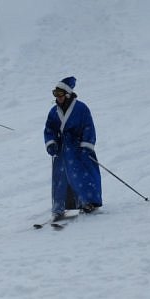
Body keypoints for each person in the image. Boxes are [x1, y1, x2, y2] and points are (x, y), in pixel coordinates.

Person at [44, 76, 102, 221]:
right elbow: (49, 128)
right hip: (62, 150)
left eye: (60, 94)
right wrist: (51, 143)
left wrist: (86, 146)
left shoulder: (81, 108)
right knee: (61, 178)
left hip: (78, 149)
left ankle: (88, 202)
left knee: (83, 175)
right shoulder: (53, 111)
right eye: (55, 94)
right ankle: (59, 206)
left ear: (68, 94)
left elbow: (88, 127)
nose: (57, 98)